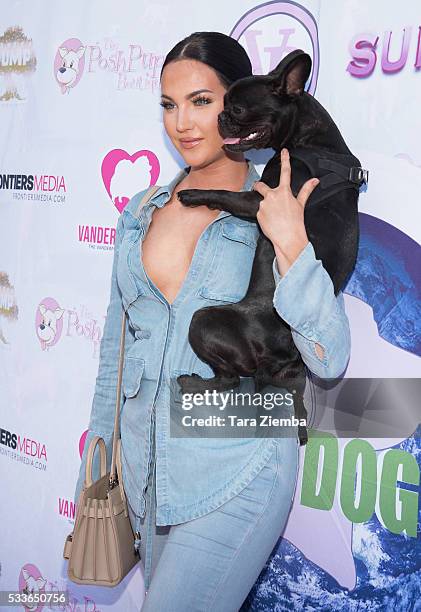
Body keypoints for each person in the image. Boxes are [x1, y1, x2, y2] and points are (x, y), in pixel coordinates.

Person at [73, 31, 351, 610]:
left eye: (202, 101)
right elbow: (114, 353)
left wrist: (291, 240)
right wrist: (97, 469)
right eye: (169, 105)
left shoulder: (285, 201)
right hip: (146, 474)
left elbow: (330, 355)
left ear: (242, 105)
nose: (183, 123)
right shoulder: (139, 212)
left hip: (239, 465)